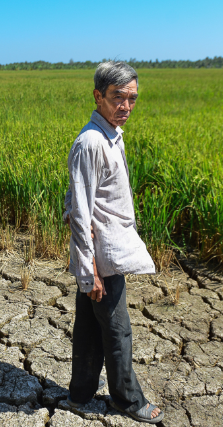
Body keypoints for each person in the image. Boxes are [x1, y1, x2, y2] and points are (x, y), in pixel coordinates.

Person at [63, 61, 163, 424]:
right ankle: (127, 399)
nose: (126, 106)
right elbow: (79, 210)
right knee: (118, 331)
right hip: (100, 260)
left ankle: (79, 394)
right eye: (118, 97)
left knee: (90, 329)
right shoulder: (91, 142)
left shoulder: (112, 136)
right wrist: (90, 273)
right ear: (98, 96)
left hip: (104, 253)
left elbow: (75, 202)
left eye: (132, 99)